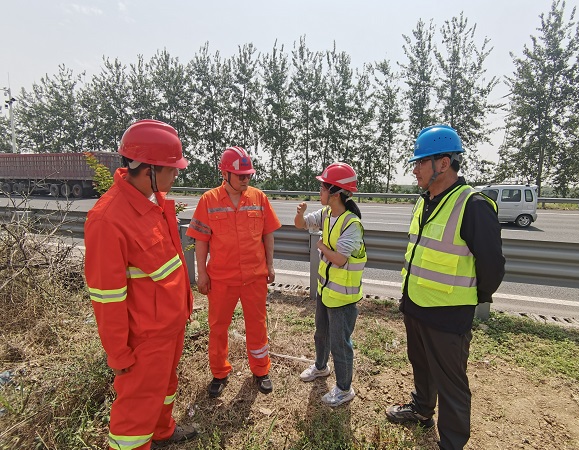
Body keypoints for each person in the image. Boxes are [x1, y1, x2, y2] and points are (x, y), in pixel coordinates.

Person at [385, 125, 505, 450]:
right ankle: (422, 410)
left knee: (452, 384)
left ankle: (451, 442)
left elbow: (492, 267)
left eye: (420, 162)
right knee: (420, 365)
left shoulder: (473, 205)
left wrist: (470, 299)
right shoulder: (424, 201)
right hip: (415, 304)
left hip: (449, 314)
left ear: (443, 163)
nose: (414, 169)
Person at [84, 119, 198, 450]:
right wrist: (118, 353)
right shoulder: (108, 220)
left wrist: (183, 309)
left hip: (170, 326)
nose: (175, 176)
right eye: (171, 169)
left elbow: (168, 265)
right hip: (145, 340)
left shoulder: (152, 201)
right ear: (148, 169)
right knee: (135, 413)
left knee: (165, 388)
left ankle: (162, 431)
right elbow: (106, 297)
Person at [186, 146, 281, 398]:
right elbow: (201, 240)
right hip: (221, 278)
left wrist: (270, 265)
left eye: (248, 175)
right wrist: (201, 273)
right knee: (218, 327)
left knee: (257, 325)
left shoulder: (259, 198)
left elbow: (268, 234)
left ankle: (261, 370)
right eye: (241, 176)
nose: (246, 179)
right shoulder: (209, 200)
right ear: (225, 174)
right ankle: (219, 372)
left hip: (254, 277)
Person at [294, 162, 367, 407]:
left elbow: (339, 259)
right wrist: (300, 214)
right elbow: (301, 224)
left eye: (323, 188)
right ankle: (320, 366)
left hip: (343, 298)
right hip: (326, 291)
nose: (320, 192)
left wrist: (321, 246)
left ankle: (344, 389)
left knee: (340, 344)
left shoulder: (351, 224)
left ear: (335, 193)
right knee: (321, 334)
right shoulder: (326, 214)